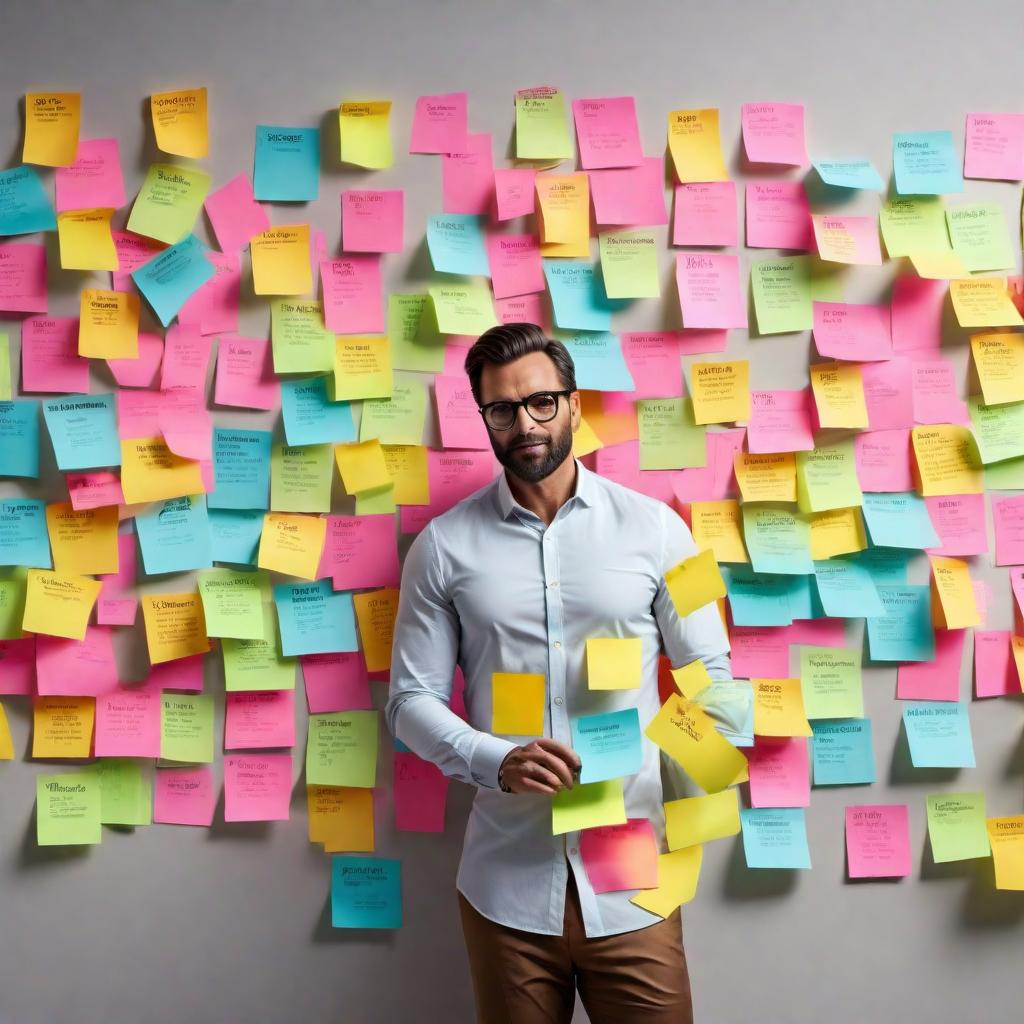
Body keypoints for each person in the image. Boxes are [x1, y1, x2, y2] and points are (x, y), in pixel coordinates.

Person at [385, 323, 732, 1023]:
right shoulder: (441, 548)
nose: (526, 424)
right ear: (482, 416)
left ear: (575, 405)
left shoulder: (662, 530)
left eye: (543, 402)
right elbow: (408, 701)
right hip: (505, 882)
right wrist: (496, 759)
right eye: (503, 410)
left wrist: (670, 788)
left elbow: (712, 671)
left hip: (633, 871)